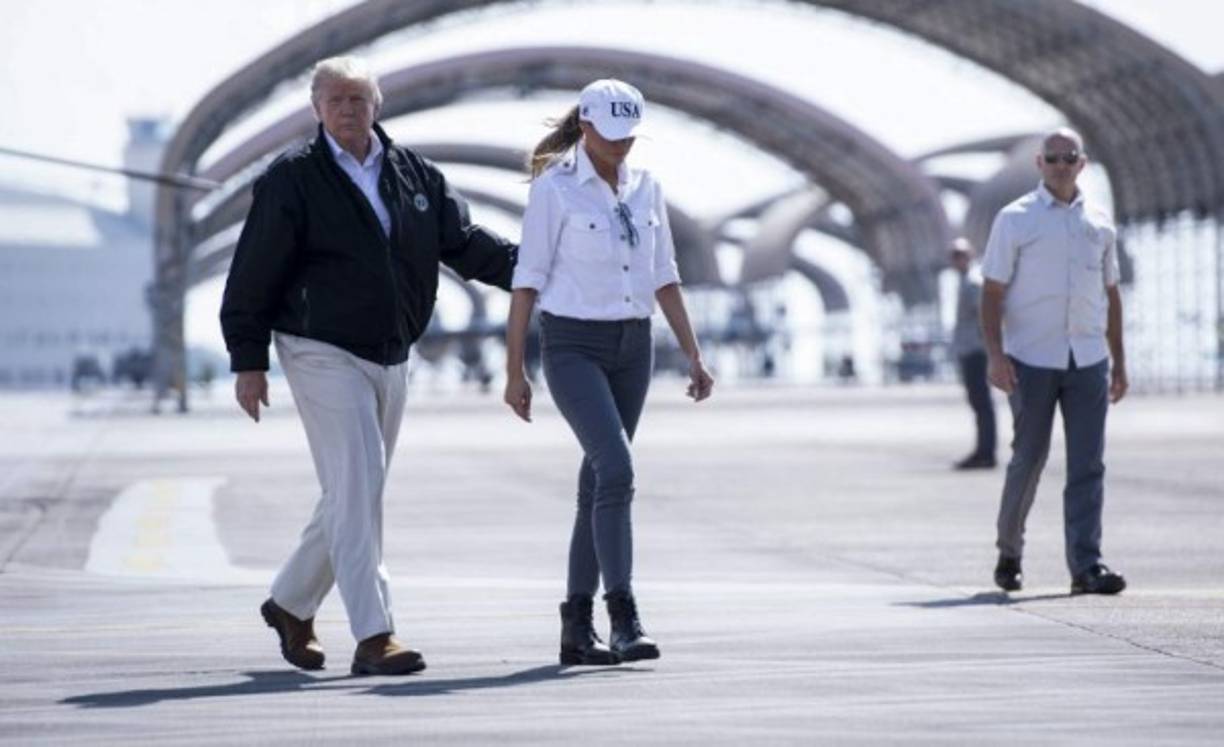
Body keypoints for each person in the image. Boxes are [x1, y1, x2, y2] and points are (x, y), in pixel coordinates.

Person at [220, 56, 516, 675]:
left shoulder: (415, 175)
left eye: (358, 98)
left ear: (377, 106)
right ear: (317, 110)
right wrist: (248, 360)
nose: (348, 109)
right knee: (358, 486)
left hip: (391, 350)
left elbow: (464, 244)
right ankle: (374, 635)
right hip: (318, 346)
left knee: (355, 489)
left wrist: (537, 270)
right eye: (336, 100)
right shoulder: (292, 179)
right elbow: (252, 272)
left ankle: (290, 603)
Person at [503, 79, 714, 665]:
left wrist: (694, 354)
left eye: (630, 135)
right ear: (586, 126)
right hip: (572, 345)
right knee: (617, 470)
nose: (621, 145)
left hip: (634, 346)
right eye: (611, 133)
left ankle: (576, 627)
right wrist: (514, 370)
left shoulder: (648, 188)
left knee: (598, 485)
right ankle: (623, 616)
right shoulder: (554, 189)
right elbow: (526, 282)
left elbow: (665, 275)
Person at [980, 127, 1127, 596]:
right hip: (1031, 359)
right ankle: (1009, 551)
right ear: (1039, 164)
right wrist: (996, 356)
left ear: (1082, 164)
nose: (1061, 165)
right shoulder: (1014, 219)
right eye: (1053, 158)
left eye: (1069, 158)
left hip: (1088, 359)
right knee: (1029, 458)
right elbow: (992, 291)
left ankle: (1087, 566)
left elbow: (1111, 294)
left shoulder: (1100, 222)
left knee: (1088, 465)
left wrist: (1119, 363)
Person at [948, 238, 996, 470]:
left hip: (976, 350)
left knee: (981, 402)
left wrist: (990, 349)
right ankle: (983, 450)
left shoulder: (973, 282)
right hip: (969, 349)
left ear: (970, 256)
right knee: (977, 402)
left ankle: (986, 452)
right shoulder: (964, 281)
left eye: (961, 255)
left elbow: (983, 316)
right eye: (954, 256)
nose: (957, 260)